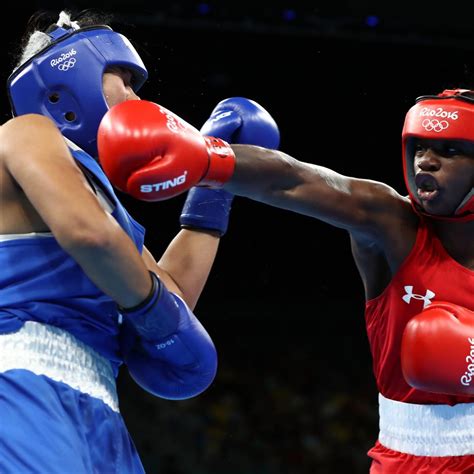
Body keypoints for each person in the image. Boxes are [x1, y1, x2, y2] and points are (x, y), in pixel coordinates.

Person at [101, 88, 473, 472]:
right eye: (420, 148)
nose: (425, 161)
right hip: (409, 461)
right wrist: (206, 159)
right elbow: (294, 180)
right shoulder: (392, 225)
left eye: (449, 150)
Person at [0, 9, 279, 473]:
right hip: (21, 375)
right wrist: (154, 307)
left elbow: (170, 297)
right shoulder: (27, 132)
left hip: (100, 405)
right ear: (61, 87)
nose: (133, 97)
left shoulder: (105, 208)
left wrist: (211, 187)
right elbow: (90, 239)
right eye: (122, 80)